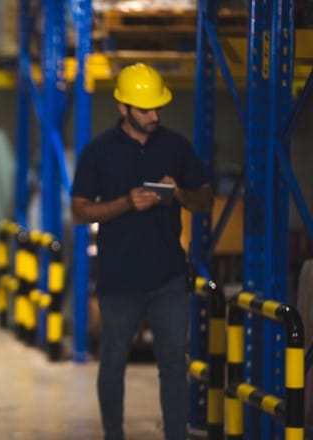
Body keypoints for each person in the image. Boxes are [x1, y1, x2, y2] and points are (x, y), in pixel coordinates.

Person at [70, 63, 213, 440]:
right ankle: (113, 434)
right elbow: (79, 210)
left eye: (157, 108)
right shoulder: (98, 152)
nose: (154, 115)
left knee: (172, 364)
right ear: (123, 107)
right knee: (113, 364)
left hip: (168, 277)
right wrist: (126, 203)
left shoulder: (176, 146)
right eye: (145, 109)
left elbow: (205, 201)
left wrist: (178, 192)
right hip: (119, 280)